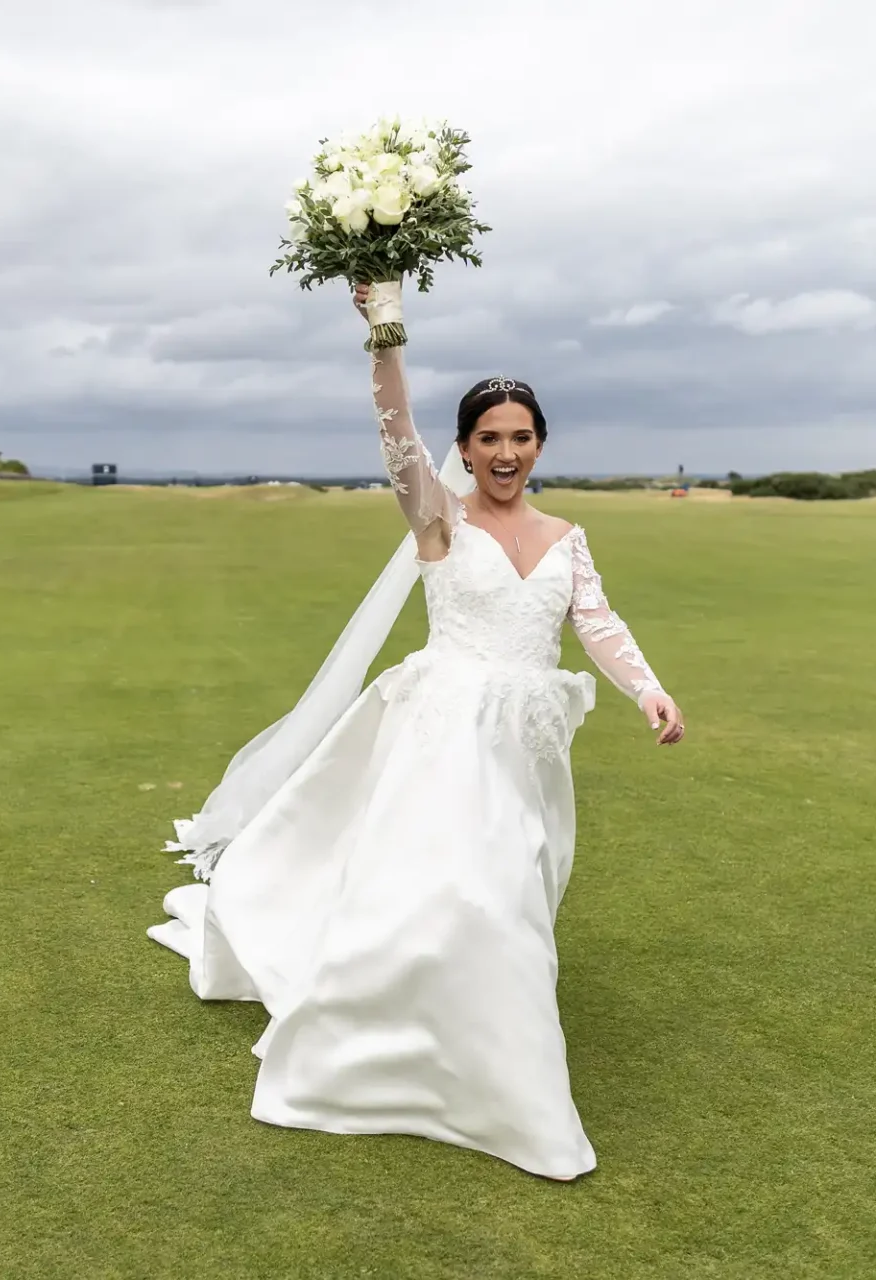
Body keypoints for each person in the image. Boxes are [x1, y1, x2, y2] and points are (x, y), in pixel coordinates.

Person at [147, 281, 684, 1180]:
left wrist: (649, 691)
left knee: (509, 893)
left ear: (540, 444)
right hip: (440, 737)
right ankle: (470, 1086)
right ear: (465, 448)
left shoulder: (568, 536)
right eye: (488, 439)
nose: (505, 454)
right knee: (459, 894)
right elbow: (395, 427)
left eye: (521, 437)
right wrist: (384, 331)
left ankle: (468, 1036)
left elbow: (594, 622)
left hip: (523, 749)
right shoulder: (437, 516)